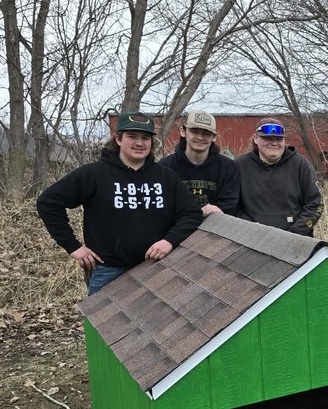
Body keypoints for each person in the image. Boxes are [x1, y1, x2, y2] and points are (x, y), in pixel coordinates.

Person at [36, 111, 203, 295]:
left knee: (154, 322)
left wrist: (169, 241)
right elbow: (48, 202)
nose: (139, 143)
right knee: (100, 322)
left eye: (145, 138)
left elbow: (191, 213)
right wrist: (73, 247)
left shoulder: (165, 176)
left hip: (157, 268)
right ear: (118, 139)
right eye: (132, 136)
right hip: (108, 271)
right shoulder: (94, 174)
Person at [235, 120, 323, 236]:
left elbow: (316, 204)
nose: (274, 143)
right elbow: (233, 205)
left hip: (296, 239)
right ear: (255, 139)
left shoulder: (300, 164)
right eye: (268, 138)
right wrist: (253, 230)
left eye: (279, 139)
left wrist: (294, 233)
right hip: (252, 239)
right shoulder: (239, 165)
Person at [158, 110, 240, 216]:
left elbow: (229, 206)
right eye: (194, 131)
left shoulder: (228, 168)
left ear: (214, 137)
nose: (200, 137)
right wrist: (199, 212)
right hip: (176, 227)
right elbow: (162, 206)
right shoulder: (165, 167)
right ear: (183, 131)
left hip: (215, 227)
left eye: (206, 133)